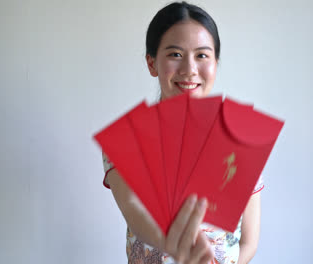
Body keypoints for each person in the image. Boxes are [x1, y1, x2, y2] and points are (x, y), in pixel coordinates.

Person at [102, 2, 263, 263]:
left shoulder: (242, 137)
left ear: (215, 63)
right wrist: (173, 245)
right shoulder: (128, 138)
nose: (190, 69)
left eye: (202, 55)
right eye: (175, 54)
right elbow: (135, 212)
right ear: (152, 63)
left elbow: (249, 240)